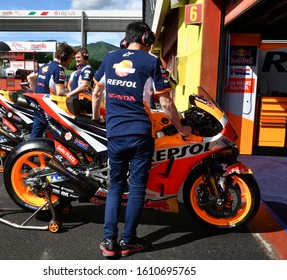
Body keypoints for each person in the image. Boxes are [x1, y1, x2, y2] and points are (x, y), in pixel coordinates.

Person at [92, 21, 191, 258]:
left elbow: (96, 93)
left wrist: (98, 117)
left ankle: (109, 241)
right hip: (140, 134)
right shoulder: (151, 62)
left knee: (114, 186)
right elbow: (165, 102)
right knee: (136, 188)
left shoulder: (109, 57)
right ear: (147, 38)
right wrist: (181, 128)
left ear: (127, 39)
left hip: (115, 133)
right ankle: (128, 241)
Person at [29, 42, 76, 139]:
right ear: (64, 56)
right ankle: (48, 154)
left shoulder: (44, 66)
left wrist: (36, 93)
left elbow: (29, 78)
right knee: (57, 138)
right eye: (70, 58)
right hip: (50, 108)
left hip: (38, 105)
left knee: (35, 134)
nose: (70, 61)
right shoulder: (59, 69)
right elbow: (60, 93)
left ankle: (30, 152)